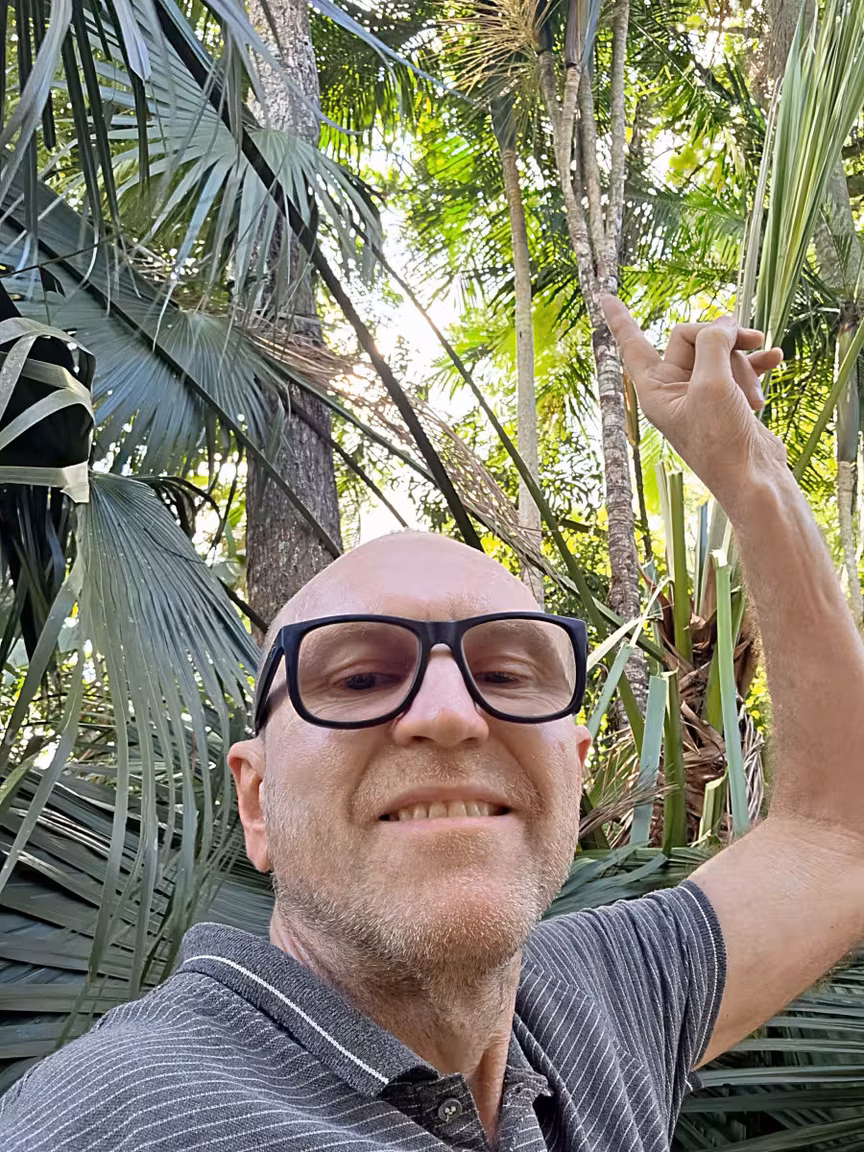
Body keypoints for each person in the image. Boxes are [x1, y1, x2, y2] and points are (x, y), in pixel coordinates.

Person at [3, 299, 864, 1152]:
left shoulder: (602, 1003)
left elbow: (839, 833)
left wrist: (750, 474)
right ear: (256, 802)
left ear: (574, 768)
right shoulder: (116, 1116)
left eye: (506, 674)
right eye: (360, 677)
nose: (451, 714)